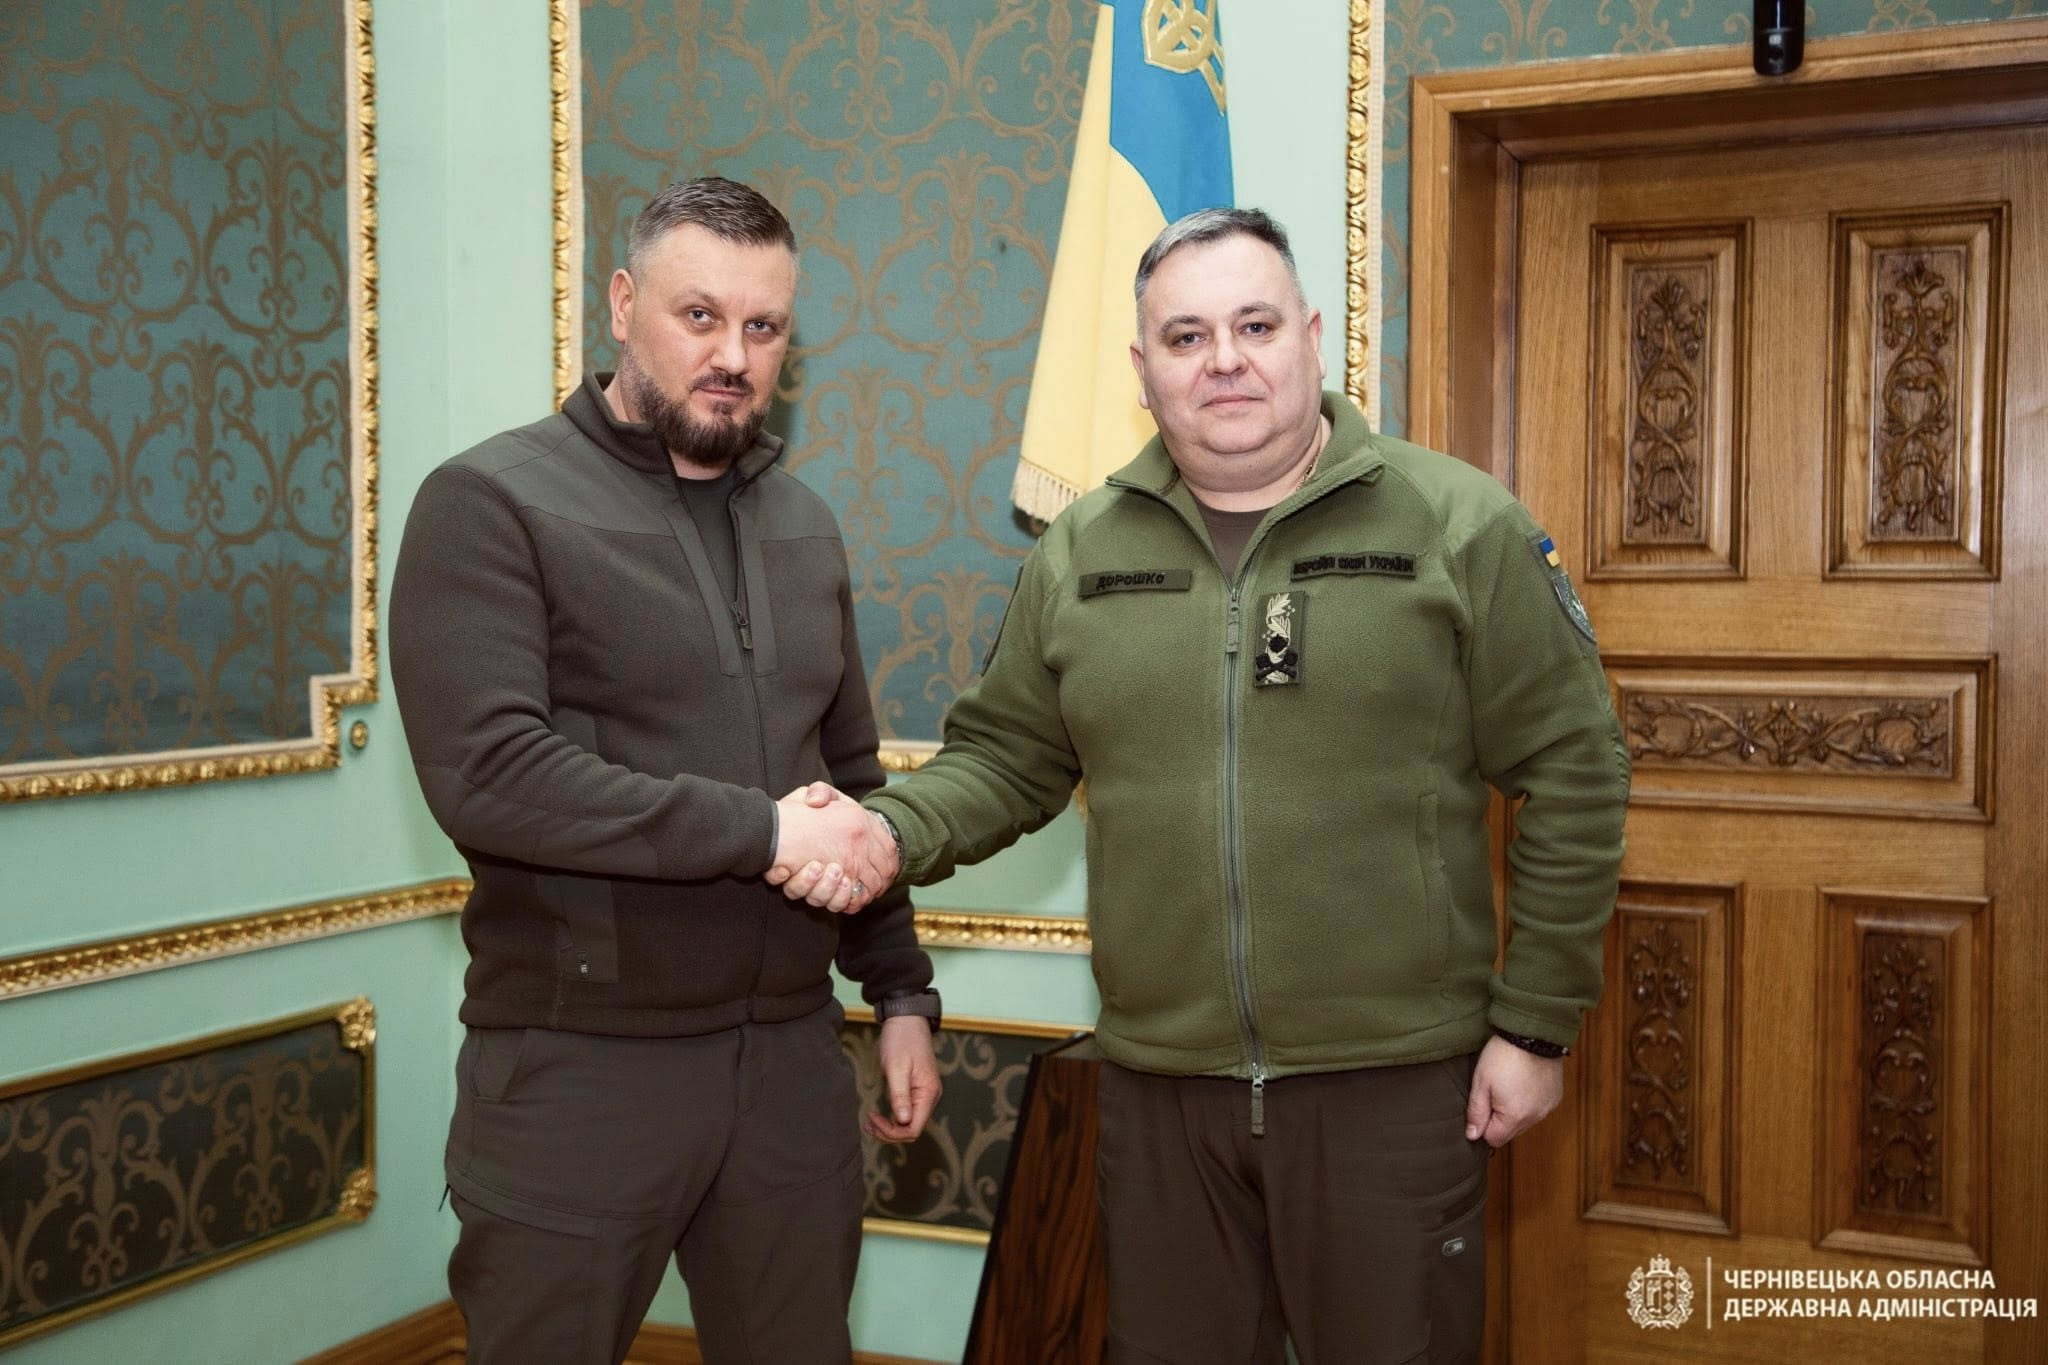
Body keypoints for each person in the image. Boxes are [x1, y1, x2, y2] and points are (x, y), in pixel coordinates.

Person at [777, 207, 1630, 1362]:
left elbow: (1575, 769)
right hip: (1158, 1095)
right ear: (1142, 372)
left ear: (1310, 339)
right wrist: (882, 833)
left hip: (1389, 1089)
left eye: (1253, 325)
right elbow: (1005, 759)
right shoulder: (1080, 552)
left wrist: (1534, 1024)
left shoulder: (1455, 525)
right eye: (1185, 337)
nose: (1222, 359)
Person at [389, 175, 936, 1365]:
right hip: (580, 1064)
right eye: (699, 316)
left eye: (763, 326)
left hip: (790, 1063)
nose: (732, 355)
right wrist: (763, 833)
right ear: (621, 304)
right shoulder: (490, 501)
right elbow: (490, 771)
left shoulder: (803, 524)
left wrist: (898, 994)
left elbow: (848, 777)